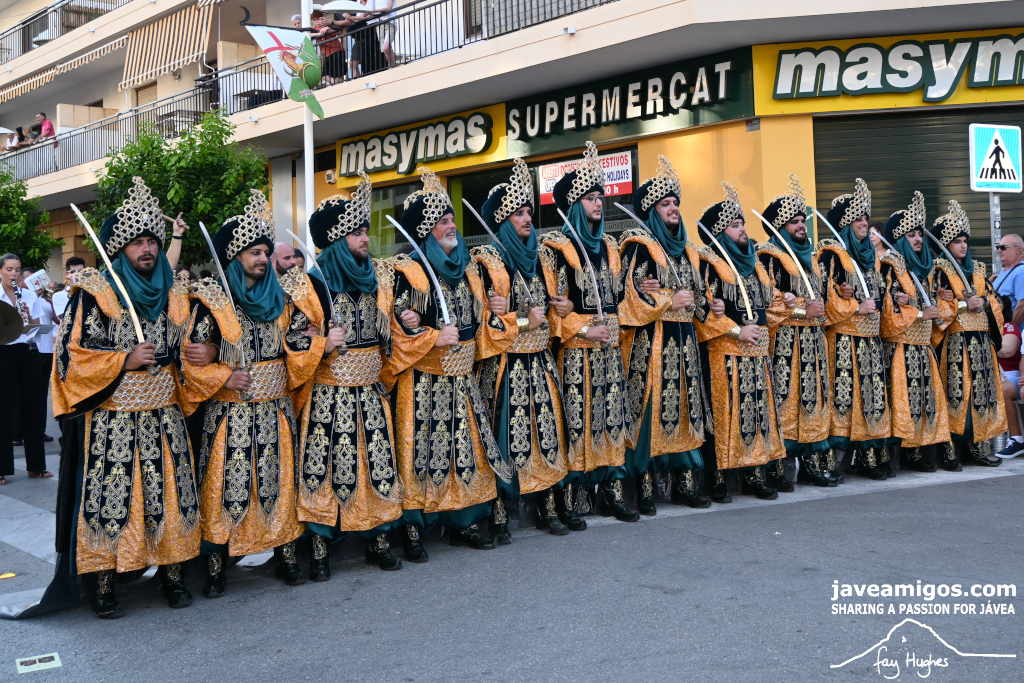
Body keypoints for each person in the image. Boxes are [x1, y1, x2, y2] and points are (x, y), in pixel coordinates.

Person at [49, 177, 199, 617]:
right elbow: (70, 358)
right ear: (120, 249)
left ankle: (173, 573)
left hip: (165, 413)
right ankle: (103, 581)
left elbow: (189, 343)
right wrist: (124, 360)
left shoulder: (173, 291)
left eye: (152, 241)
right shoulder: (96, 293)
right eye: (137, 242)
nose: (146, 249)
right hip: (113, 418)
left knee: (168, 495)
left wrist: (201, 353)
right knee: (113, 499)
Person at [180, 189, 326, 596]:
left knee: (277, 482)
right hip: (231, 414)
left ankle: (285, 555)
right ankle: (216, 565)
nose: (262, 259)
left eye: (265, 252)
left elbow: (295, 342)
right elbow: (190, 357)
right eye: (254, 252)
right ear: (234, 256)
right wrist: (224, 377)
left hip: (276, 409)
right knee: (227, 485)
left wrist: (313, 340)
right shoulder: (212, 301)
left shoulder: (282, 298)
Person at [378, 166, 508, 560]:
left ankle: (464, 521)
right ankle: (413, 529)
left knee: (465, 451)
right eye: (442, 221)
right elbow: (394, 329)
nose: (452, 226)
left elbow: (482, 323)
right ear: (424, 230)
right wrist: (428, 333)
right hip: (424, 381)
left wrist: (498, 311)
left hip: (463, 379)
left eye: (452, 219)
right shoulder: (408, 271)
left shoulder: (468, 269)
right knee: (419, 454)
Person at [472, 159, 570, 541]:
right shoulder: (485, 262)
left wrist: (564, 309)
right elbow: (483, 324)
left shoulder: (543, 257)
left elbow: (554, 314)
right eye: (518, 213)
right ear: (502, 221)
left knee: (547, 432)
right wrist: (525, 321)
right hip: (505, 366)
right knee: (504, 437)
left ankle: (548, 505)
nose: (527, 218)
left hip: (541, 361)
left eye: (529, 211)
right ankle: (498, 511)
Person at [539, 141, 636, 523]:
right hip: (578, 352)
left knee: (612, 416)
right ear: (575, 204)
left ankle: (612, 492)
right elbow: (553, 311)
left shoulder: (610, 247)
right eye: (591, 198)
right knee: (579, 419)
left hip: (610, 348)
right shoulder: (556, 249)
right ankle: (574, 497)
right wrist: (583, 328)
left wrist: (646, 292)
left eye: (600, 197)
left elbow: (620, 298)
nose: (599, 203)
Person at [617, 156, 712, 511]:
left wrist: (711, 306)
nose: (673, 209)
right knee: (650, 408)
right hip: (652, 343)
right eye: (665, 204)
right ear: (652, 211)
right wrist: (668, 300)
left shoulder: (688, 251)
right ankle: (643, 488)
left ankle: (684, 484)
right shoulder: (640, 246)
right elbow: (629, 296)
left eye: (675, 203)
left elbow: (699, 297)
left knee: (686, 405)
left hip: (685, 341)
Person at [696, 182, 791, 501]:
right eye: (734, 225)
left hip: (757, 353)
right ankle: (718, 477)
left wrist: (788, 303)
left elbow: (770, 302)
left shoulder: (754, 263)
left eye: (742, 224)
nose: (742, 230)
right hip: (724, 354)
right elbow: (701, 307)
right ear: (719, 231)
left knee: (756, 414)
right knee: (725, 415)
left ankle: (754, 473)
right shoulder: (708, 261)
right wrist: (737, 330)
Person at [756, 175, 835, 488]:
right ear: (780, 226)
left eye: (803, 220)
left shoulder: (812, 258)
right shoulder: (767, 256)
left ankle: (812, 465)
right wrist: (802, 310)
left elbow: (822, 299)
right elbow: (766, 301)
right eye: (794, 222)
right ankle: (780, 467)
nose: (802, 226)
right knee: (785, 402)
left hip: (814, 342)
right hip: (785, 344)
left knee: (813, 400)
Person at [819, 179, 892, 480]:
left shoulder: (871, 257)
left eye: (866, 218)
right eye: (858, 219)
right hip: (844, 340)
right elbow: (822, 298)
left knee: (872, 398)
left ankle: (870, 456)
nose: (864, 223)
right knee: (845, 398)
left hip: (871, 340)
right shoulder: (831, 254)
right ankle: (836, 459)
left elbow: (880, 296)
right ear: (845, 223)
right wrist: (853, 307)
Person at [929, 200, 1005, 469]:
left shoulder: (979, 270)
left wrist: (982, 301)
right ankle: (949, 449)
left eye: (965, 241)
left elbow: (996, 301)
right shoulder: (937, 271)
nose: (963, 246)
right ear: (945, 244)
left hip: (981, 342)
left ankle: (976, 445)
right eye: (956, 241)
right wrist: (963, 305)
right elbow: (934, 307)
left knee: (981, 395)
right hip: (955, 343)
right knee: (956, 394)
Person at [878, 192, 951, 472]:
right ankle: (895, 455)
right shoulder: (890, 266)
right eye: (911, 235)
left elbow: (935, 307)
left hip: (923, 345)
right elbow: (887, 311)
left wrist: (942, 304)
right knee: (902, 401)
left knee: (925, 400)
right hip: (901, 346)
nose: (918, 239)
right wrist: (919, 313)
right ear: (899, 239)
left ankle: (919, 451)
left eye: (919, 234)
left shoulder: (926, 268)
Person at [0, 254, 48, 485]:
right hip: (3, 352)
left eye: (17, 270)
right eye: (9, 269)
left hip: (28, 352)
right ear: (1, 271)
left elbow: (38, 328)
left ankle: (36, 467)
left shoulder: (28, 295)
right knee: (4, 409)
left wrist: (27, 317)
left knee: (34, 409)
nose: (14, 274)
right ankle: (1, 469)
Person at [996, 296, 1024, 457]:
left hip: (1008, 374)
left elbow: (1007, 351)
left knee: (1002, 388)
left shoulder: (1008, 326)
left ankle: (1016, 438)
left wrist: (986, 341)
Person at [992, 233, 1024, 326]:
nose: (999, 250)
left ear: (1017, 250)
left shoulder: (1021, 271)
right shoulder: (1004, 272)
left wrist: (1010, 329)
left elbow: (1022, 307)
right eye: (998, 247)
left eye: (1003, 247)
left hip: (1012, 333)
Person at [311, 10, 347, 84]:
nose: (316, 21)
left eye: (318, 19)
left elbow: (340, 33)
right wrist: (318, 34)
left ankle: (340, 86)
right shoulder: (314, 28)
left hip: (337, 51)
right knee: (325, 75)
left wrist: (328, 28)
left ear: (322, 18)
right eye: (314, 20)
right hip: (327, 54)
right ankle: (339, 85)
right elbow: (308, 35)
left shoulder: (327, 24)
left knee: (338, 75)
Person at [52, 257, 86, 321]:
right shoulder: (58, 295)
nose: (78, 275)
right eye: (74, 272)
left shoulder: (90, 291)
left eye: (82, 271)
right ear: (67, 274)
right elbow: (66, 317)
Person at [367, 0, 397, 68]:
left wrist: (376, 11)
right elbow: (368, 12)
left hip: (390, 23)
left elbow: (389, 8)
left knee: (386, 47)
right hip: (379, 25)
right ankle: (393, 66)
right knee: (386, 49)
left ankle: (394, 66)